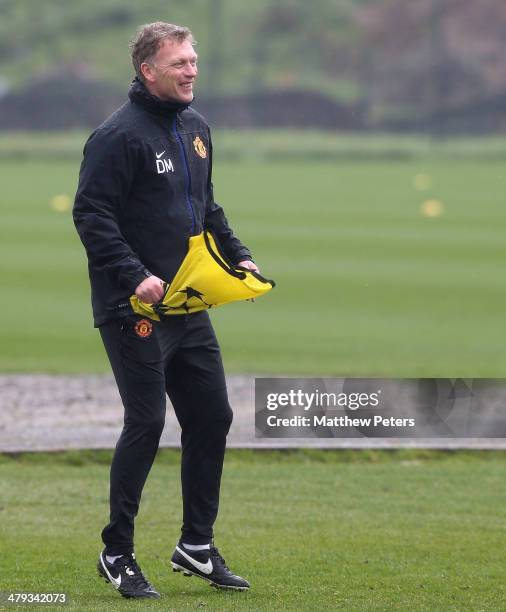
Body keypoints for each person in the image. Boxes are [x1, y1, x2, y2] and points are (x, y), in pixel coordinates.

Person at [73, 22, 256, 599]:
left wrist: (240, 256)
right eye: (179, 62)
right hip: (133, 307)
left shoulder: (196, 128)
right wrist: (135, 275)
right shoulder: (116, 136)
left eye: (194, 59)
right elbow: (91, 214)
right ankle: (116, 551)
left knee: (213, 417)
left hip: (188, 304)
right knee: (147, 421)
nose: (191, 69)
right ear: (148, 70)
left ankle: (195, 545)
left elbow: (204, 206)